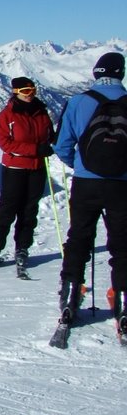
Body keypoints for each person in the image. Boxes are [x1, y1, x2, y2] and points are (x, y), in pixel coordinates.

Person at [53, 51, 127, 332]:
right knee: (122, 243)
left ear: (96, 72)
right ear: (121, 73)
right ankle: (123, 300)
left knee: (79, 238)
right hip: (121, 184)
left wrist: (80, 166)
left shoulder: (78, 101)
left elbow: (62, 146)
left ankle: (70, 297)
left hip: (86, 183)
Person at [0, 76, 54, 272]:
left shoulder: (41, 112)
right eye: (26, 91)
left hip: (37, 168)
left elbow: (49, 134)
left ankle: (22, 247)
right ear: (16, 92)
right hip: (15, 168)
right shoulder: (7, 115)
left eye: (33, 90)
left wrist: (52, 142)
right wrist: (36, 149)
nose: (30, 95)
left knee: (29, 209)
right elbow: (6, 144)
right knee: (8, 209)